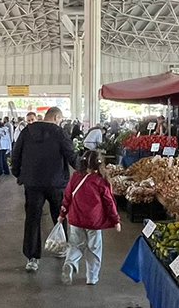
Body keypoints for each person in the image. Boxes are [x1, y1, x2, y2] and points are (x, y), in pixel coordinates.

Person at [12, 106, 78, 271]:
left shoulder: (27, 131)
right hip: (56, 183)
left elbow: (16, 153)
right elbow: (71, 156)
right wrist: (88, 170)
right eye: (61, 120)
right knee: (60, 216)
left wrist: (19, 174)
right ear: (56, 118)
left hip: (33, 183)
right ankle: (60, 248)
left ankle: (32, 258)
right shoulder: (59, 133)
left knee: (33, 219)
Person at [59, 150, 120, 285]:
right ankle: (92, 278)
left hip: (75, 219)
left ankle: (70, 263)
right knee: (94, 248)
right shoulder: (101, 181)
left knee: (75, 245)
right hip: (94, 221)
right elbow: (109, 202)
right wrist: (116, 220)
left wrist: (62, 214)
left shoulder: (75, 177)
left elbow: (67, 196)